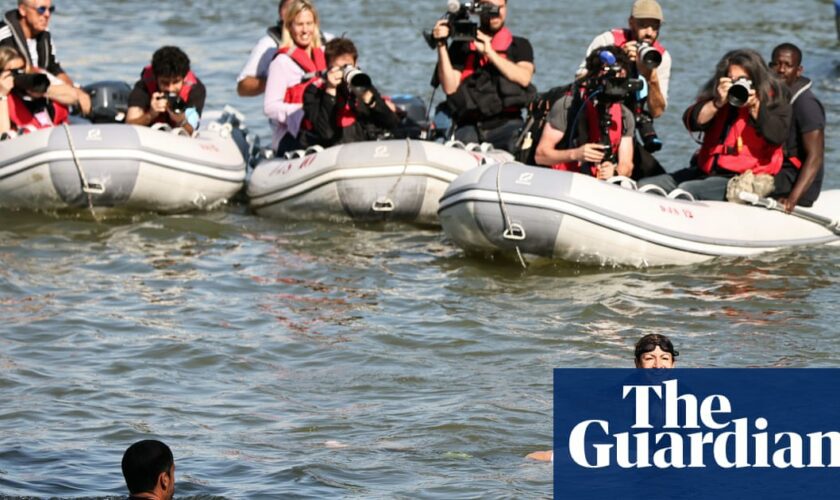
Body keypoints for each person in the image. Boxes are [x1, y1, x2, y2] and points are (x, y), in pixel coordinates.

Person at [638, 49, 791, 201]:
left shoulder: (774, 100)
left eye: (743, 80)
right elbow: (692, 121)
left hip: (741, 177)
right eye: (732, 79)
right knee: (647, 185)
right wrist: (717, 102)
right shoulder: (718, 97)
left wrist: (755, 107)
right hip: (706, 170)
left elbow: (777, 135)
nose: (737, 84)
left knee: (686, 190)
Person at [525, 333, 679, 462]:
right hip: (617, 453)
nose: (658, 365)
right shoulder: (620, 395)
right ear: (637, 364)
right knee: (537, 458)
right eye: (650, 358)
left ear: (673, 364)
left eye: (665, 358)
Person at [577, 0, 670, 179]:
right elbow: (580, 80)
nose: (649, 33)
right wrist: (619, 60)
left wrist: (650, 76)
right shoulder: (608, 40)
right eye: (643, 25)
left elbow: (657, 111)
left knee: (660, 180)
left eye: (655, 27)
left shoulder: (661, 57)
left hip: (629, 126)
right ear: (631, 22)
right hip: (596, 118)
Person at [432, 0, 535, 152]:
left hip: (507, 124)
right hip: (469, 125)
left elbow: (524, 78)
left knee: (518, 145)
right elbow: (449, 87)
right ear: (478, 10)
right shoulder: (462, 46)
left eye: (500, 8)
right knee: (460, 149)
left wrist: (489, 53)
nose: (496, 13)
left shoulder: (519, 45)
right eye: (490, 8)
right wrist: (441, 45)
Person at [533, 46, 635, 180]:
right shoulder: (567, 106)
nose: (614, 84)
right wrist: (576, 154)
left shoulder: (624, 115)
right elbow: (541, 156)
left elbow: (627, 165)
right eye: (610, 79)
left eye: (620, 79)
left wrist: (615, 172)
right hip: (563, 180)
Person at [300, 38, 399, 148]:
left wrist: (370, 101)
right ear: (328, 67)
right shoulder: (314, 91)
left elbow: (392, 123)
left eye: (348, 66)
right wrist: (330, 90)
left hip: (362, 147)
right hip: (331, 150)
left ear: (356, 64)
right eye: (339, 68)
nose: (344, 72)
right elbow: (326, 133)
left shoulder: (361, 85)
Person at [0, 0, 91, 114]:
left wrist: (76, 90)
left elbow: (54, 68)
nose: (47, 15)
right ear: (23, 10)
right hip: (14, 102)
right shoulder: (3, 36)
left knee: (84, 98)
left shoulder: (45, 34)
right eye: (41, 9)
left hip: (42, 97)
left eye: (50, 9)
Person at [263, 0, 326, 154]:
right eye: (299, 24)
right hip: (291, 134)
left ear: (315, 25)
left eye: (309, 23)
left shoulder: (325, 55)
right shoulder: (281, 62)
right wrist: (301, 112)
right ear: (289, 26)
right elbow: (269, 108)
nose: (305, 30)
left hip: (321, 127)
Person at [237, 0, 333, 98]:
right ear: (280, 13)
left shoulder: (328, 42)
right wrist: (276, 81)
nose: (295, 10)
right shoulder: (269, 45)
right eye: (290, 7)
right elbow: (242, 88)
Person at [769, 43, 825, 211]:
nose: (781, 70)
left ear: (798, 71)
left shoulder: (806, 104)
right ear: (769, 67)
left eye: (788, 65)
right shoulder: (773, 96)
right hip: (777, 170)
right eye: (777, 64)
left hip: (795, 182)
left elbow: (815, 157)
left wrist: (792, 199)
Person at [125, 46, 206, 136]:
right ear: (156, 78)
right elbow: (129, 124)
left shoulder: (195, 90)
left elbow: (192, 128)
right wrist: (151, 114)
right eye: (165, 82)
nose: (170, 88)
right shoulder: (143, 87)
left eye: (176, 82)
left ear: (184, 78)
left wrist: (181, 120)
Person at [0, 45, 68, 136]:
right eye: (14, 72)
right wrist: (2, 95)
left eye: (21, 69)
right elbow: (2, 135)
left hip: (54, 135)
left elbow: (74, 97)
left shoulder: (35, 78)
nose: (19, 75)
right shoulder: (3, 96)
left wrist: (42, 91)